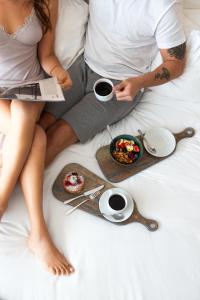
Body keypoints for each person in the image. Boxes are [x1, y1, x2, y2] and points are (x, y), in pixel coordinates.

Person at [40, 0, 187, 166]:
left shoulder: (164, 7)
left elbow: (176, 63)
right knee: (40, 123)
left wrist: (139, 82)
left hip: (121, 84)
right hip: (83, 64)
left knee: (57, 135)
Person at [0, 0, 74, 276]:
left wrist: (57, 73)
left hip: (32, 88)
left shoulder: (47, 1)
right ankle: (39, 233)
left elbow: (47, 56)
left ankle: (1, 198)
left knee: (23, 111)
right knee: (38, 136)